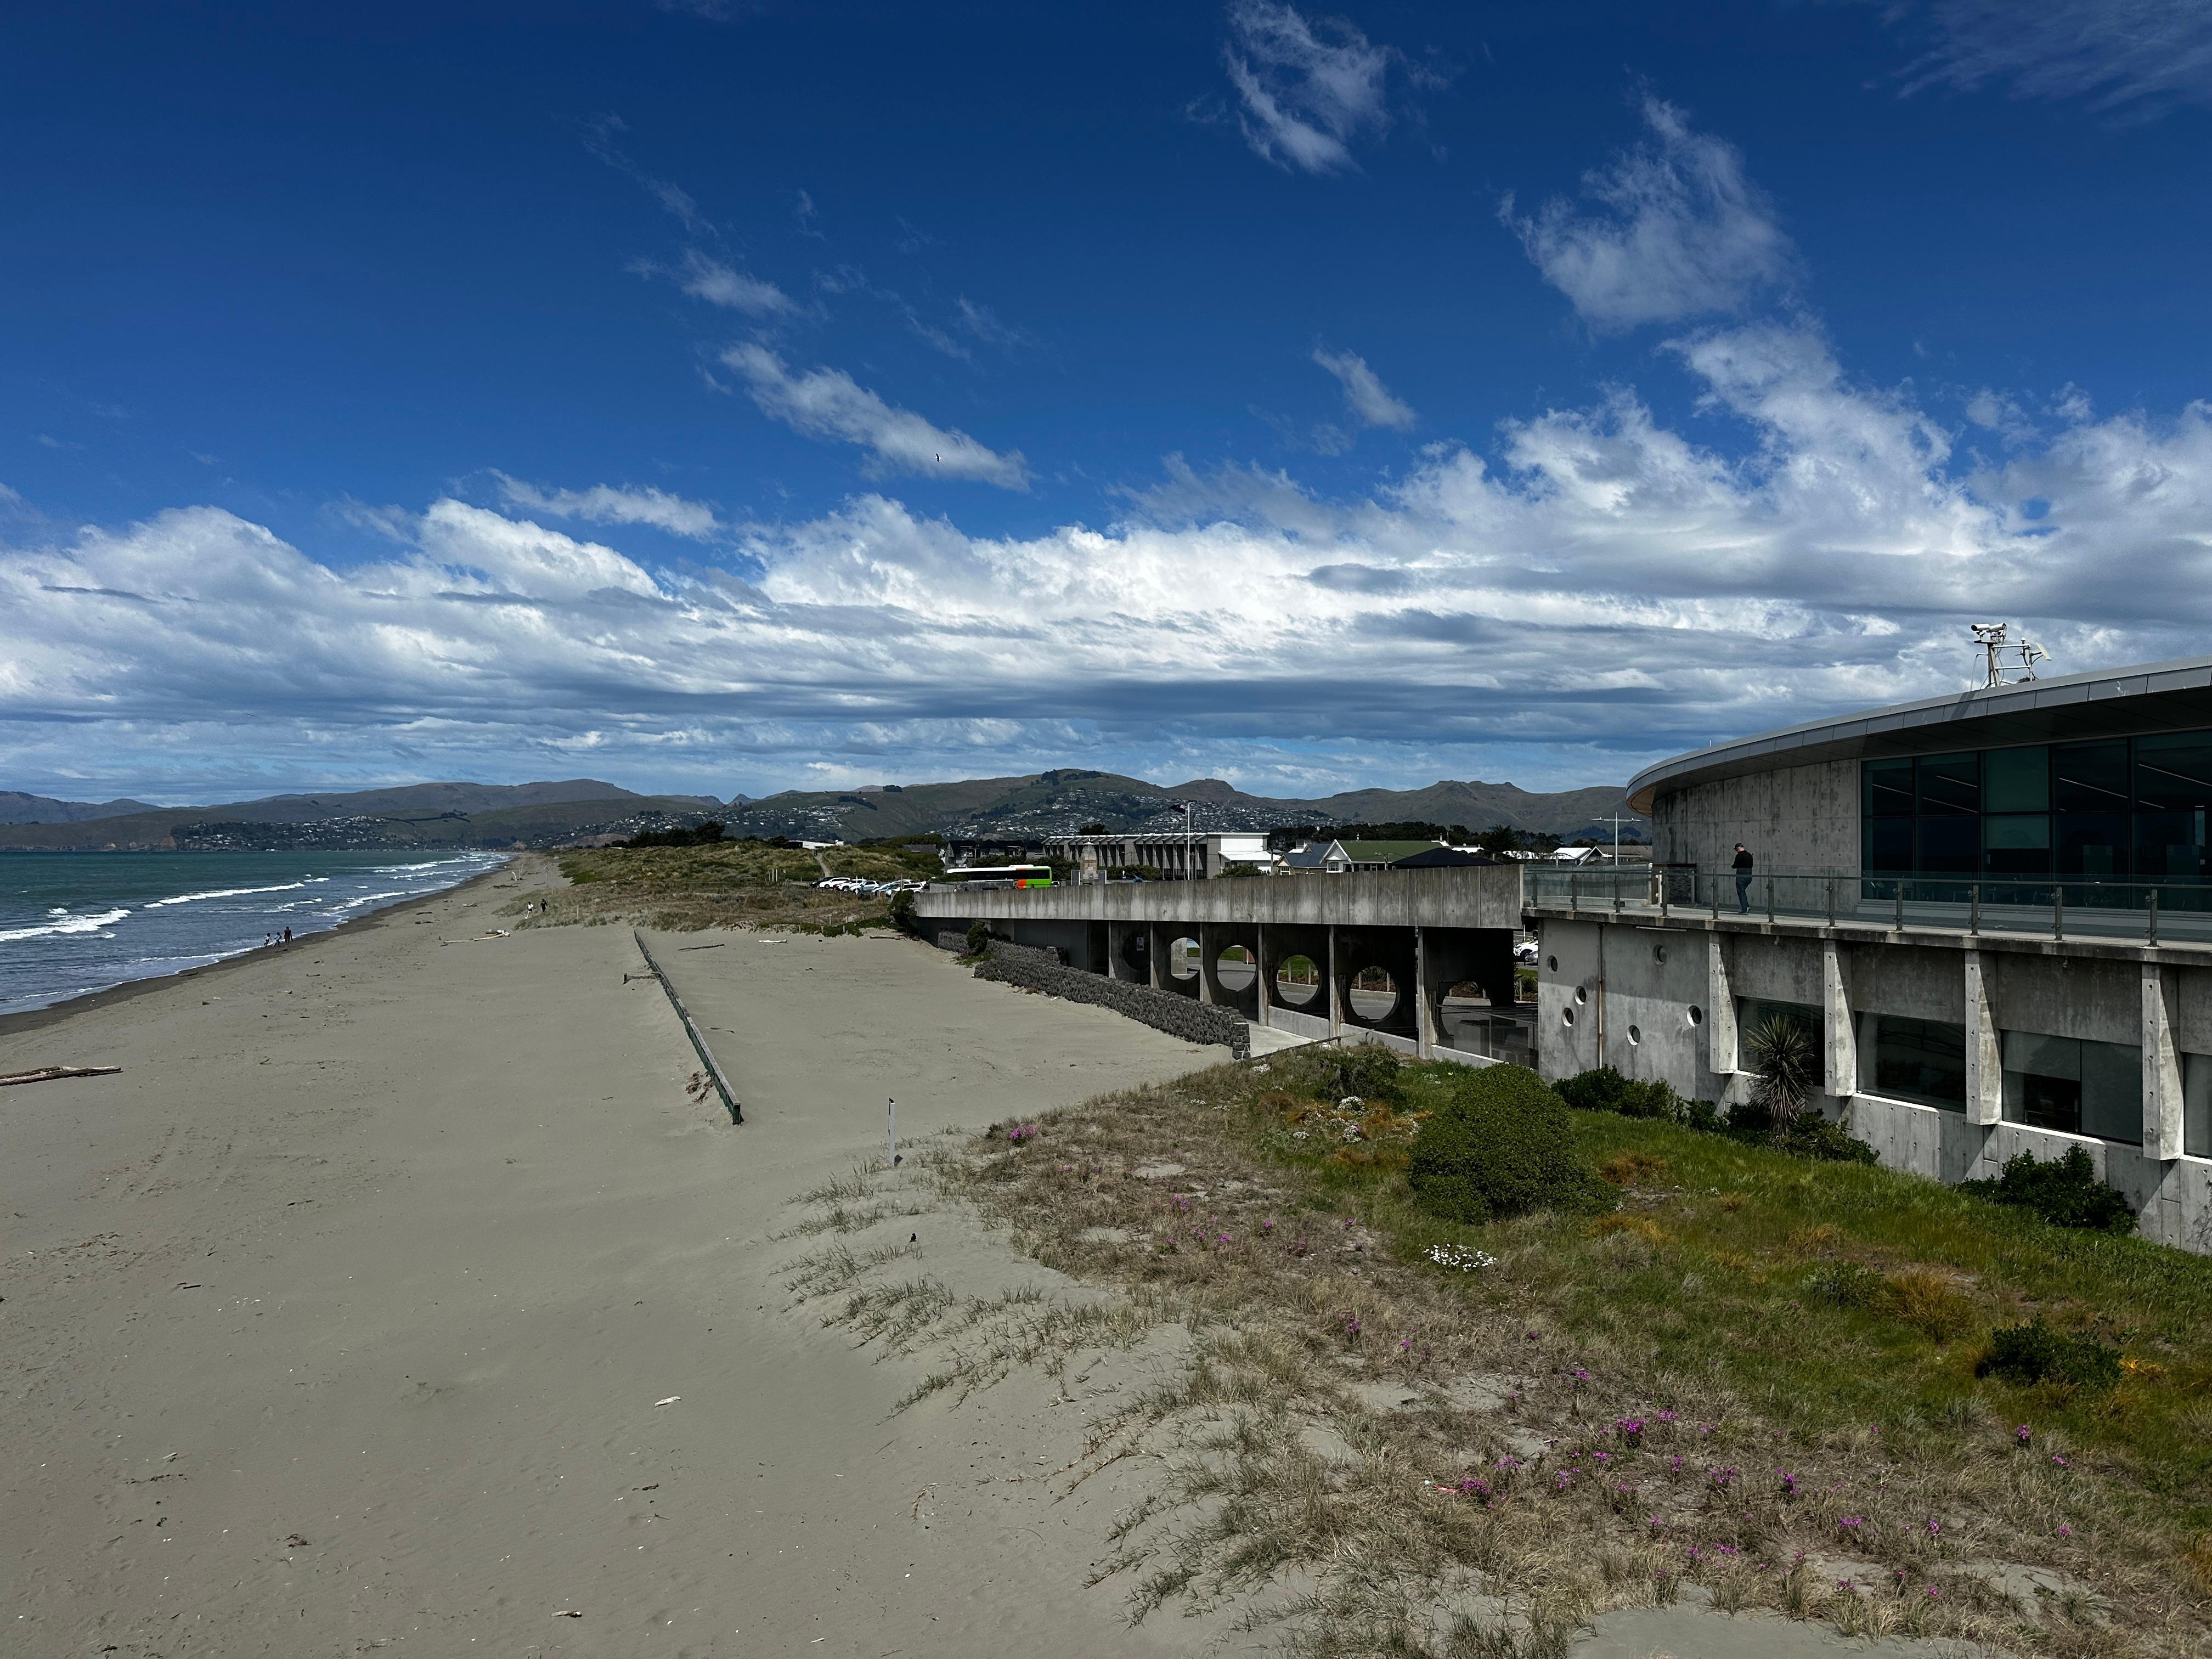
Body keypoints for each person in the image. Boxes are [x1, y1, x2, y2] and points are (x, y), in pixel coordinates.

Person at [1733, 843, 1754, 913]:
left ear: (1738, 848)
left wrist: (1732, 866)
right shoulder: (1750, 855)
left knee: (1741, 891)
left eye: (1736, 849)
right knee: (1743, 891)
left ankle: (1745, 909)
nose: (1736, 851)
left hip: (1741, 875)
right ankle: (1746, 906)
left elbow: (1735, 865)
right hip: (1749, 875)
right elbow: (1751, 865)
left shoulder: (1739, 856)